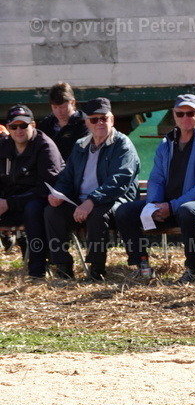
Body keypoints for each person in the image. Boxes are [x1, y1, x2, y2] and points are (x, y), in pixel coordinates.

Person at [115, 94, 195, 283]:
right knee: (124, 211)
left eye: (190, 113)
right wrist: (154, 205)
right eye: (180, 114)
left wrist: (171, 206)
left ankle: (193, 270)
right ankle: (142, 267)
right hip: (168, 205)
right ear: (174, 115)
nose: (185, 118)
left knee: (188, 210)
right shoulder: (166, 143)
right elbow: (156, 178)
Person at [44, 98, 139, 280]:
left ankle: (97, 269)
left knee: (97, 214)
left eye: (103, 118)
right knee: (52, 212)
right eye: (94, 119)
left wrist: (92, 200)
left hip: (114, 201)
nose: (99, 123)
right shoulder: (81, 145)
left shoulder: (122, 144)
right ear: (86, 122)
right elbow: (67, 176)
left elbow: (119, 181)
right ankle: (63, 266)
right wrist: (58, 194)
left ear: (112, 119)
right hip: (80, 201)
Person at [0, 105, 63, 279]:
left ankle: (37, 270)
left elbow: (47, 188)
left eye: (23, 125)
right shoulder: (3, 146)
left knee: (33, 209)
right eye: (14, 126)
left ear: (33, 125)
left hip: (40, 203)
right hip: (10, 201)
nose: (18, 130)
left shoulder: (45, 147)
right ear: (8, 128)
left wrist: (9, 203)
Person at [38, 82, 88, 159]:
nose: (58, 111)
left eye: (62, 107)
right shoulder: (45, 125)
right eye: (55, 107)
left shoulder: (85, 124)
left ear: (72, 102)